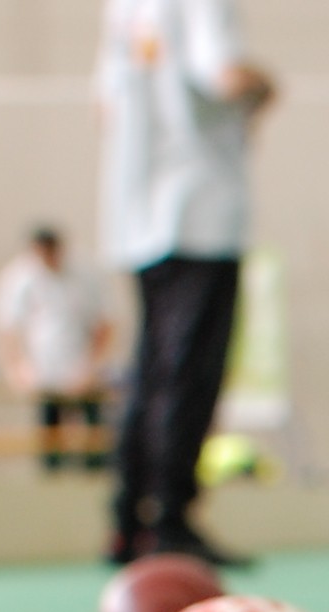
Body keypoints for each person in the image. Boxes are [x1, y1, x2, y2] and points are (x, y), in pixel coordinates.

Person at [96, 0, 276, 567]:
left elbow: (106, 107)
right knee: (189, 372)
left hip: (138, 214)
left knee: (151, 368)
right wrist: (267, 87)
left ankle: (129, 520)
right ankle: (169, 519)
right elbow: (222, 75)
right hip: (199, 210)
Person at [0, 224, 113, 473]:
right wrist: (17, 368)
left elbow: (105, 323)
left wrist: (91, 366)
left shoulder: (86, 272)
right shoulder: (20, 276)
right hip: (43, 371)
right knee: (50, 442)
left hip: (82, 370)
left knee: (93, 445)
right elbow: (6, 327)